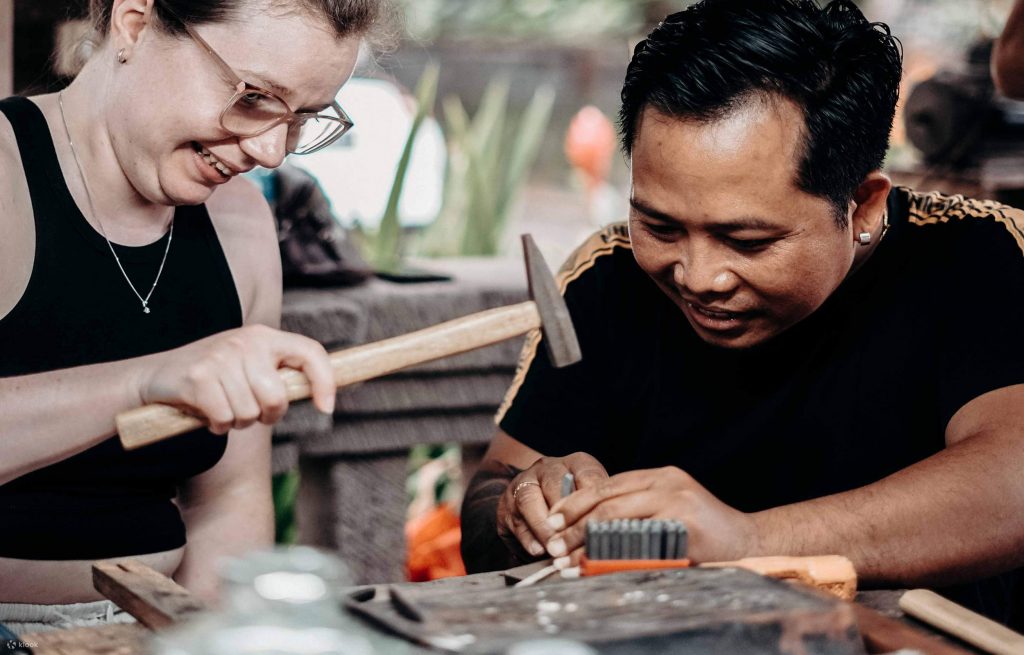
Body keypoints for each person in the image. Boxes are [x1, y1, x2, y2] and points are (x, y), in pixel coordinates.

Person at [461, 0, 1024, 629]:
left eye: (749, 241)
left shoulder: (979, 256)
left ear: (862, 208)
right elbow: (489, 498)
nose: (698, 278)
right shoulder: (608, 276)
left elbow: (1015, 482)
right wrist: (521, 506)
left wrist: (750, 543)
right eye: (659, 225)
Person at [0, 0, 388, 632]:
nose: (270, 153)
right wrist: (143, 383)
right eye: (256, 97)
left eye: (302, 120)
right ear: (134, 23)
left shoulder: (242, 225)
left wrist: (199, 638)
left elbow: (229, 503)